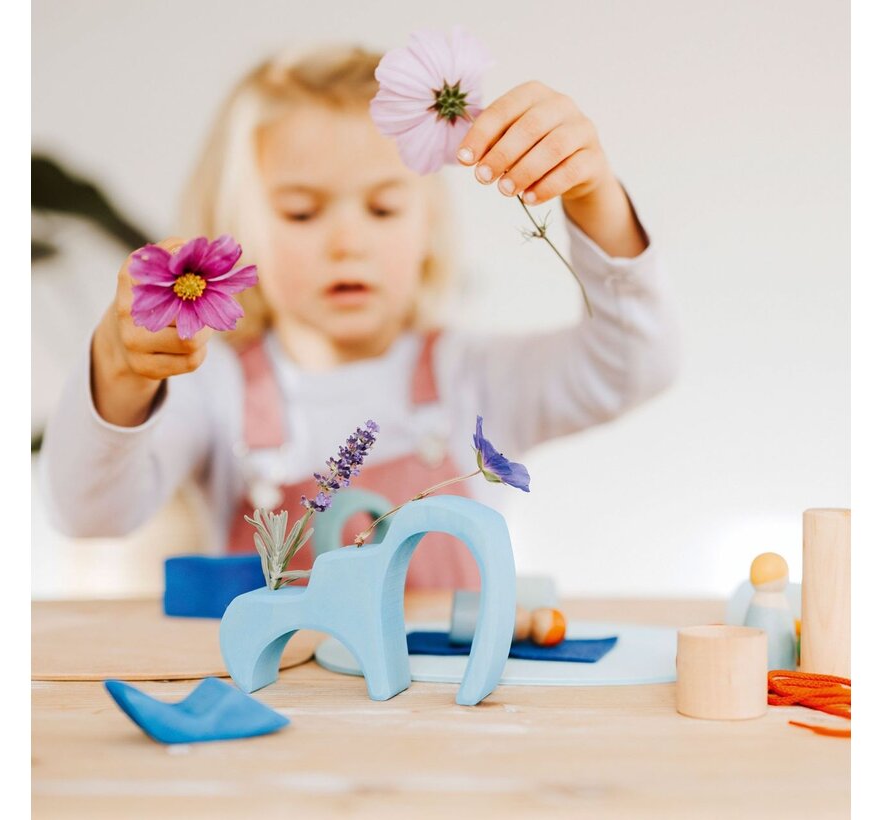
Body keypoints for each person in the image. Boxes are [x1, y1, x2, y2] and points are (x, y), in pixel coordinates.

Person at [40, 44, 679, 590]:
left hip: (450, 721)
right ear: (237, 227)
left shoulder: (471, 378)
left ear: (429, 226)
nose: (347, 241)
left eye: (381, 209)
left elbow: (637, 367)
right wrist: (119, 372)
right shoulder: (216, 387)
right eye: (301, 212)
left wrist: (593, 196)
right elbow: (88, 513)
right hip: (279, 724)